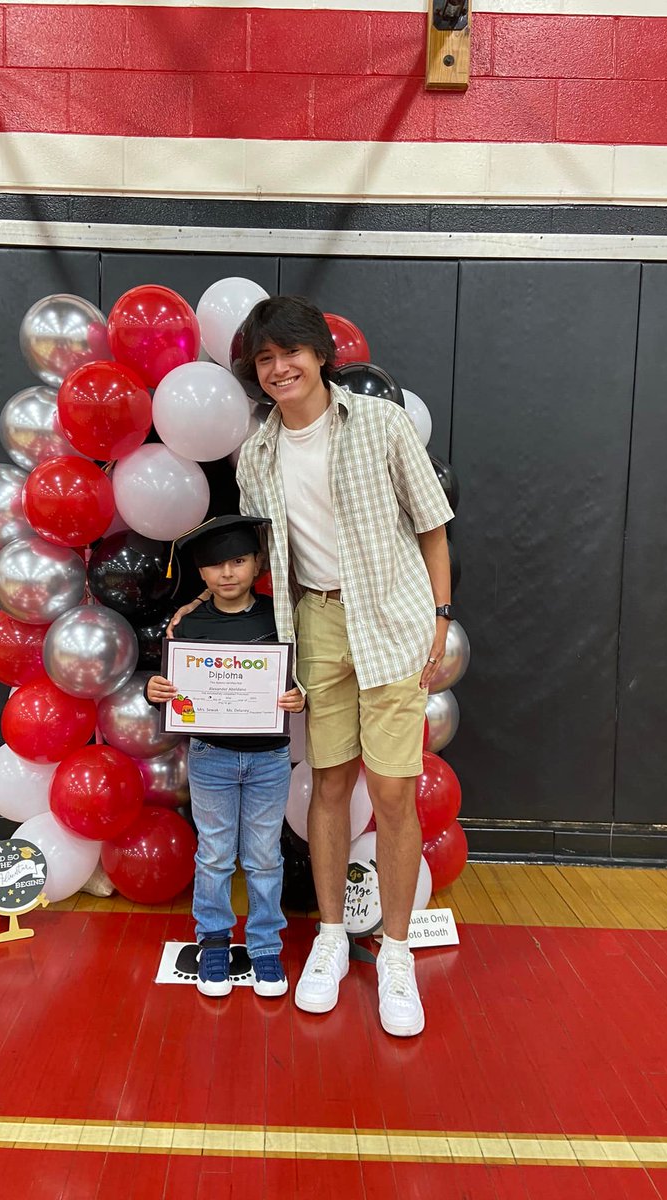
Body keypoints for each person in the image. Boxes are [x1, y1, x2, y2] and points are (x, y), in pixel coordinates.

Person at [173, 296, 453, 1037]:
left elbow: (432, 524)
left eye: (288, 353)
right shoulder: (258, 452)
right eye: (263, 360)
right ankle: (330, 938)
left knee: (393, 792)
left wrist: (440, 615)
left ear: (320, 354)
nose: (277, 369)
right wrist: (192, 624)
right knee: (329, 783)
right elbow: (251, 561)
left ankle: (394, 953)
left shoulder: (381, 423)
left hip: (391, 620)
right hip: (317, 624)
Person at [146, 515, 305, 1000]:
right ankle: (213, 940)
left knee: (263, 858)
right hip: (211, 755)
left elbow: (302, 677)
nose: (228, 573)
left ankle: (264, 946)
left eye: (238, 560)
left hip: (269, 757)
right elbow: (175, 688)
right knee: (214, 856)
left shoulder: (280, 618)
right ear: (200, 572)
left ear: (258, 563)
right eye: (215, 565)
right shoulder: (188, 625)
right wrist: (157, 692)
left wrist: (298, 695)